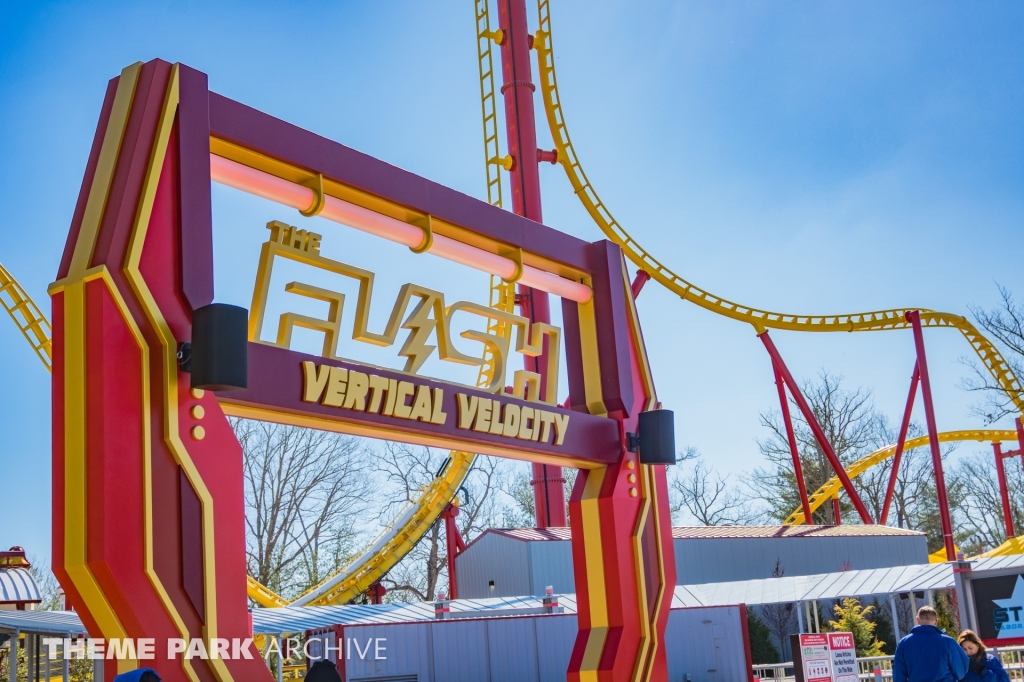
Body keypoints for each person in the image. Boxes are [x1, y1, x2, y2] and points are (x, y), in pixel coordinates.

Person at [892, 606, 969, 682]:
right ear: (936, 621)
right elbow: (960, 672)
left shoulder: (903, 643)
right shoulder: (948, 642)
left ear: (917, 620)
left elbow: (898, 676)